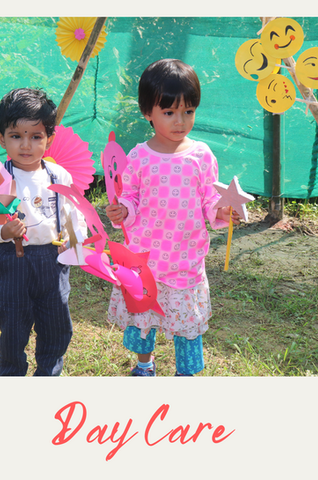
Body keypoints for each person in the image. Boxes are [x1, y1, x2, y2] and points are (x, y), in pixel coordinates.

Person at [105, 59, 241, 377]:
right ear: (147, 112)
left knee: (186, 324)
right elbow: (130, 197)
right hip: (145, 260)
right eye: (169, 112)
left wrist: (222, 210)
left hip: (185, 260)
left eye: (188, 111)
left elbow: (210, 199)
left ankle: (185, 374)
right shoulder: (138, 156)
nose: (180, 121)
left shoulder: (202, 155)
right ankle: (144, 364)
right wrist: (123, 209)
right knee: (143, 315)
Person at [0, 88, 86, 376]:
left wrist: (74, 241)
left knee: (57, 325)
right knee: (13, 326)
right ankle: (12, 375)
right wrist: (3, 231)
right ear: (1, 138)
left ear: (49, 138)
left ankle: (48, 374)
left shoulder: (59, 175)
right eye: (16, 136)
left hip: (53, 261)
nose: (26, 145)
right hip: (12, 261)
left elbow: (73, 213)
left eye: (36, 136)